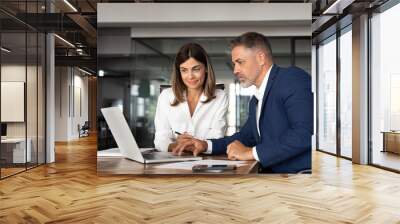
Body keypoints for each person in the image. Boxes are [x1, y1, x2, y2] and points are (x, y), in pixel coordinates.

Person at [172, 32, 313, 173]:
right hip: (275, 180)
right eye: (234, 64)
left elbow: (305, 134)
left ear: (261, 58)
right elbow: (245, 137)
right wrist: (205, 145)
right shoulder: (256, 100)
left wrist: (251, 153)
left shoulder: (292, 78)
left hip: (298, 179)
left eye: (240, 62)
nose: (235, 70)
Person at [154, 43, 228, 152]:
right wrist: (175, 145)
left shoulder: (220, 97)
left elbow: (217, 137)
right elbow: (161, 138)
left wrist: (192, 144)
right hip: (174, 160)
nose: (190, 76)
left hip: (206, 161)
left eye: (196, 69)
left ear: (206, 69)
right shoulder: (166, 96)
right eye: (184, 70)